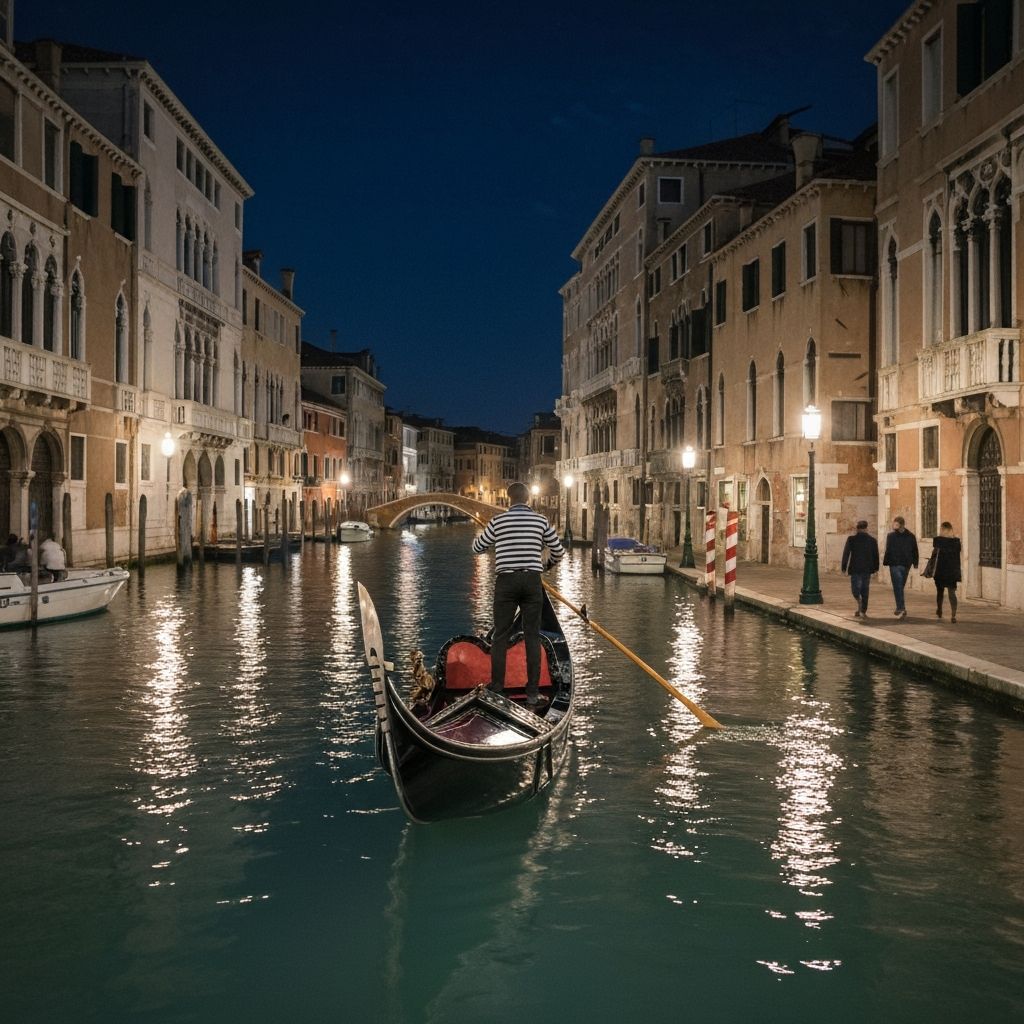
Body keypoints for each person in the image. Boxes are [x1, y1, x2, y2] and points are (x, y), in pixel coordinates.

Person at [472, 482, 565, 712]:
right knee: (532, 636)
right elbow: (559, 551)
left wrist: (494, 543)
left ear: (509, 499)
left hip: (506, 582)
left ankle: (497, 687)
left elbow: (477, 548)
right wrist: (545, 566)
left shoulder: (498, 521)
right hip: (532, 580)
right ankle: (532, 693)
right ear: (527, 500)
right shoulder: (541, 521)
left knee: (500, 636)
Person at [841, 520, 879, 618]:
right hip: (867, 568)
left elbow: (846, 554)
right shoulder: (872, 540)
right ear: (866, 528)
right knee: (865, 589)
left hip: (855, 568)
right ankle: (862, 610)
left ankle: (860, 604)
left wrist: (844, 567)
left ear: (857, 529)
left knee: (855, 589)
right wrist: (876, 568)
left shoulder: (851, 539)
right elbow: (876, 556)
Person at [882, 515, 919, 619]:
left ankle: (900, 607)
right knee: (898, 585)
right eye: (894, 524)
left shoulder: (911, 536)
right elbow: (888, 549)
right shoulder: (891, 536)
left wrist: (915, 563)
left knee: (899, 586)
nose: (894, 526)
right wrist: (886, 562)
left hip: (906, 564)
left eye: (896, 524)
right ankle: (902, 608)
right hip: (894, 564)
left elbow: (915, 550)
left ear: (902, 525)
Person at [931, 521, 962, 623]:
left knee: (940, 592)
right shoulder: (957, 542)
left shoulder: (938, 540)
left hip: (941, 570)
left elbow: (934, 554)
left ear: (944, 530)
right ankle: (953, 615)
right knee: (951, 593)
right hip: (952, 570)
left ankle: (939, 609)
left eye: (941, 529)